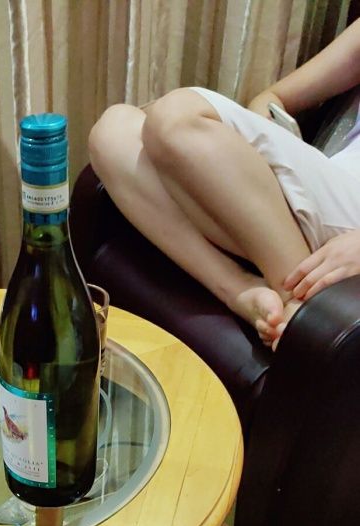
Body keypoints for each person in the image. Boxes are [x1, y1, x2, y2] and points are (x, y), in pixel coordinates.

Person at [88, 18, 360, 348]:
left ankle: (297, 304)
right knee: (113, 133)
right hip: (330, 189)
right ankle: (240, 290)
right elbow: (272, 98)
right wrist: (267, 131)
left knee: (177, 118)